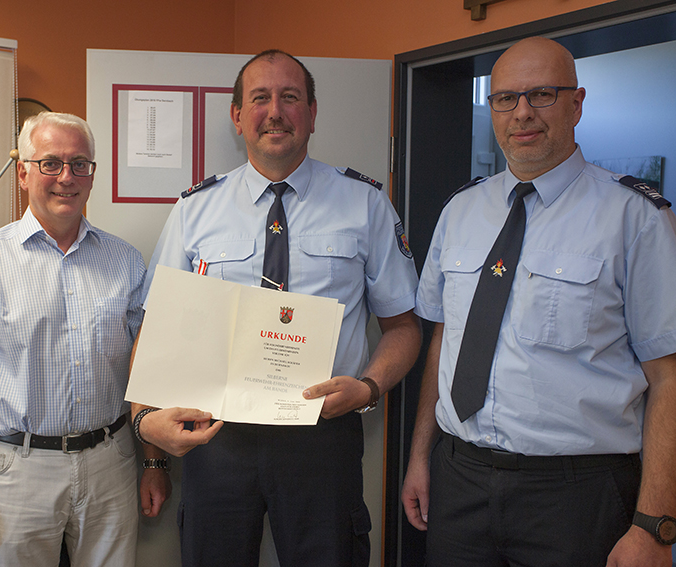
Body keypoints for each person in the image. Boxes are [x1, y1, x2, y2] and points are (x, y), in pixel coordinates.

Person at [130, 49, 422, 567]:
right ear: (237, 115)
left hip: (322, 437)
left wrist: (369, 387)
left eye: (290, 97)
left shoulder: (366, 204)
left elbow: (403, 326)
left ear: (312, 112)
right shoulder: (195, 209)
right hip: (214, 436)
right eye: (259, 98)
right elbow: (158, 327)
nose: (275, 111)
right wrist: (146, 424)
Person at [402, 36, 676, 567]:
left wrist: (655, 526)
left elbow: (669, 376)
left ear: (576, 104)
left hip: (576, 494)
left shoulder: (636, 218)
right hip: (460, 479)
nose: (522, 112)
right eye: (505, 98)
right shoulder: (460, 210)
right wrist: (421, 458)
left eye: (542, 95)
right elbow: (446, 342)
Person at [0, 112, 170, 567]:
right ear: (23, 172)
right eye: (50, 163)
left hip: (111, 462)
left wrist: (154, 463)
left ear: (92, 175)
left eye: (80, 164)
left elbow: (145, 371)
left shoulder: (126, 261)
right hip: (16, 471)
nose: (66, 177)